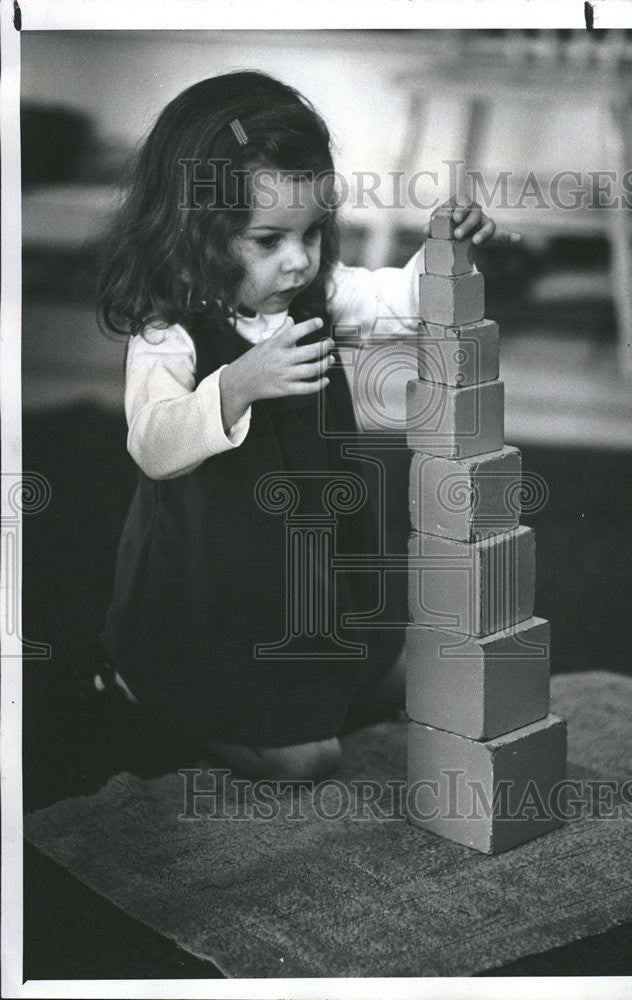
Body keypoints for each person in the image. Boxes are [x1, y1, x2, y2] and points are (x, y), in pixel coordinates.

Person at [95, 70, 496, 780]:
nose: (299, 259)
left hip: (310, 557)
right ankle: (153, 688)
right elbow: (153, 445)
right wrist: (239, 384)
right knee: (307, 761)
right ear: (195, 231)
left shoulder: (310, 292)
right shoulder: (170, 330)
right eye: (268, 238)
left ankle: (328, 675)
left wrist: (444, 255)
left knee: (418, 667)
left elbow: (396, 302)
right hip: (218, 583)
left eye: (312, 233)